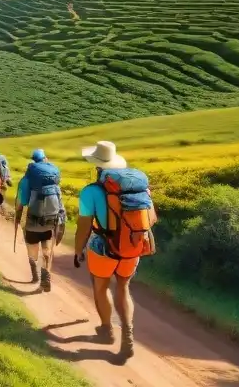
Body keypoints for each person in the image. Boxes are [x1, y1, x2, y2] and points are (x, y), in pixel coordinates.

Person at [73, 141, 156, 363]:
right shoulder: (139, 188)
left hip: (103, 247)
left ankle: (107, 330)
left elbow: (84, 226)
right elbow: (150, 219)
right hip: (132, 247)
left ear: (97, 166)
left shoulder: (92, 191)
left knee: (100, 287)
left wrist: (78, 250)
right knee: (123, 286)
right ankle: (128, 335)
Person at [14, 149, 64, 292]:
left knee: (33, 251)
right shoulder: (53, 177)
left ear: (33, 161)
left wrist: (17, 217)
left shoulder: (27, 178)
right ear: (45, 159)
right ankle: (45, 278)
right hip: (50, 219)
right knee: (47, 251)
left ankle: (35, 272)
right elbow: (59, 201)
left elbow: (22, 201)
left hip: (32, 220)